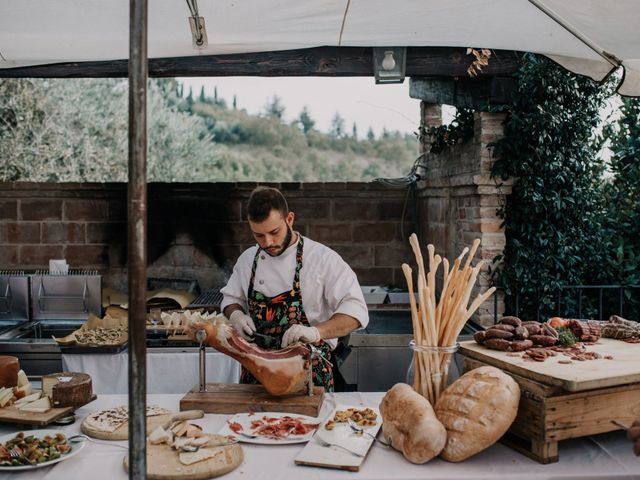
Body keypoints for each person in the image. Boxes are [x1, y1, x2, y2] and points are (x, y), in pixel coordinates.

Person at [220, 186, 368, 392]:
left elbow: (357, 312)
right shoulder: (248, 260)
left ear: (289, 219)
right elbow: (230, 299)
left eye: (274, 232)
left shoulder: (323, 259)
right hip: (257, 378)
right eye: (259, 236)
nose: (268, 242)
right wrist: (235, 314)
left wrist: (316, 332)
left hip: (309, 377)